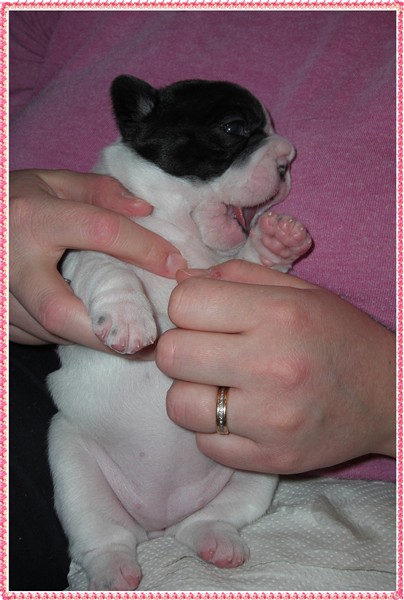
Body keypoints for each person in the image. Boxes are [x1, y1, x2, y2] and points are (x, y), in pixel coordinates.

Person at [9, 10, 396, 590]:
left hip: (224, 464)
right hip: (98, 446)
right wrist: (112, 288)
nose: (283, 154)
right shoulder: (106, 210)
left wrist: (265, 261)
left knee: (257, 469)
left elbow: (242, 297)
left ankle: (213, 518)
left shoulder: (212, 238)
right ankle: (101, 542)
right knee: (68, 440)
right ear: (144, 123)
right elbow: (89, 265)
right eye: (238, 130)